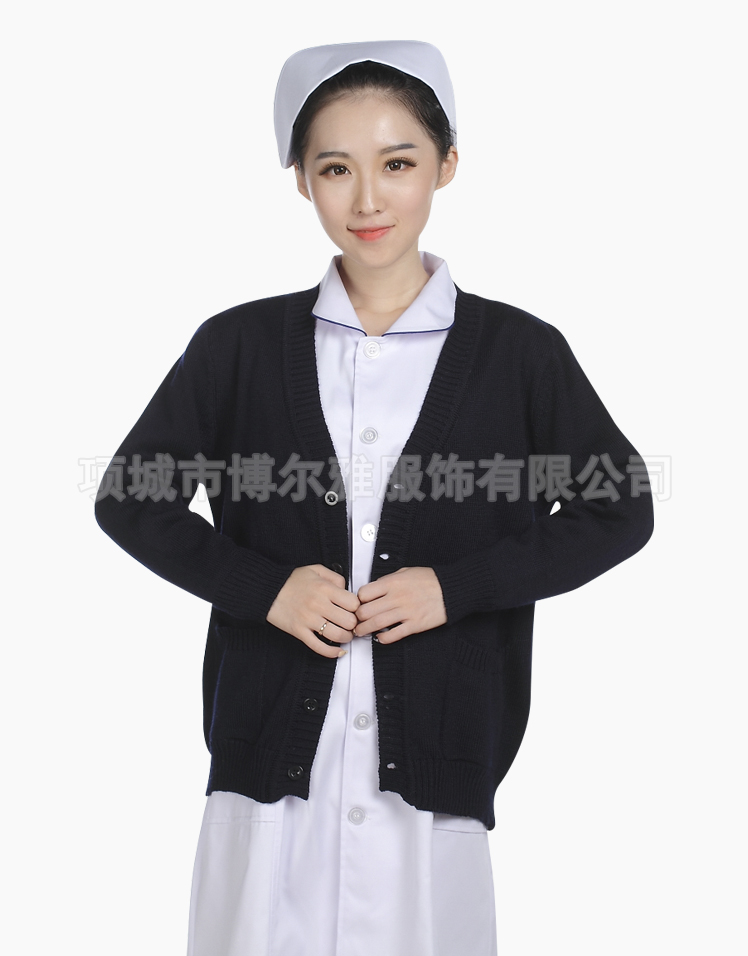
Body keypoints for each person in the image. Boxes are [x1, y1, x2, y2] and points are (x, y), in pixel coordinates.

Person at [94, 40, 654, 956]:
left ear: (447, 165)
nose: (367, 200)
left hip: (434, 775)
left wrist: (456, 587)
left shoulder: (520, 353)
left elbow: (619, 506)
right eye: (335, 169)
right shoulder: (237, 346)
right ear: (301, 181)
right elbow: (131, 497)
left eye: (397, 164)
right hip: (266, 775)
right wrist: (264, 589)